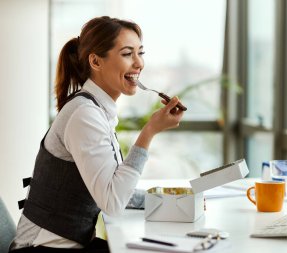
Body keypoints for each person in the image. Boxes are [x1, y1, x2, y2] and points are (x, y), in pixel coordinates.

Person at [9, 16, 184, 253]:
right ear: (96, 61)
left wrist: (177, 202)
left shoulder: (97, 111)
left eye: (140, 53)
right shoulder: (85, 115)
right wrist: (149, 131)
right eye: (127, 54)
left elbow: (119, 191)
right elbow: (113, 202)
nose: (139, 63)